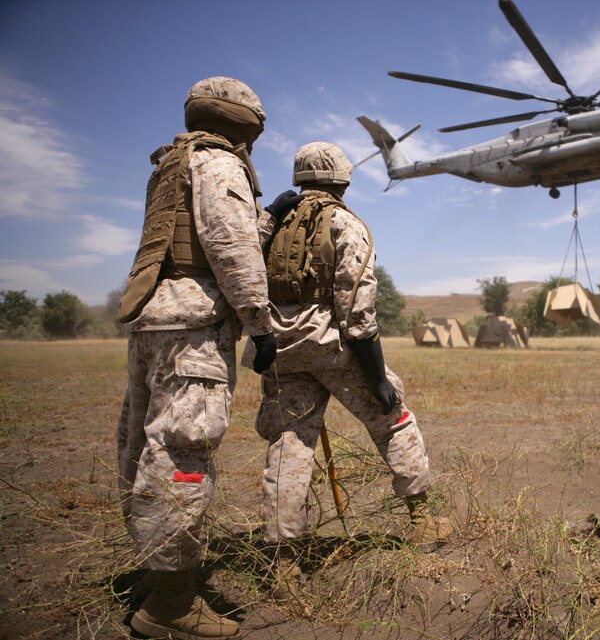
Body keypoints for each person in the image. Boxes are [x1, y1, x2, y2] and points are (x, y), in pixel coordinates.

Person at [115, 76, 302, 640]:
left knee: (143, 447)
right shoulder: (220, 164)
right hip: (195, 331)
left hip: (156, 318)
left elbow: (200, 239)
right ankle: (170, 606)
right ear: (246, 127)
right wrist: (260, 324)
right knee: (182, 454)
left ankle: (160, 573)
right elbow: (230, 248)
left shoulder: (172, 163)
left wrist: (267, 215)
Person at [251, 141, 451, 600]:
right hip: (333, 348)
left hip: (281, 350)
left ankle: (282, 564)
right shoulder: (346, 223)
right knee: (393, 419)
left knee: (288, 447)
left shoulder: (273, 224)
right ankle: (421, 521)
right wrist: (378, 379)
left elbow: (242, 267)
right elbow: (358, 315)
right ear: (343, 179)